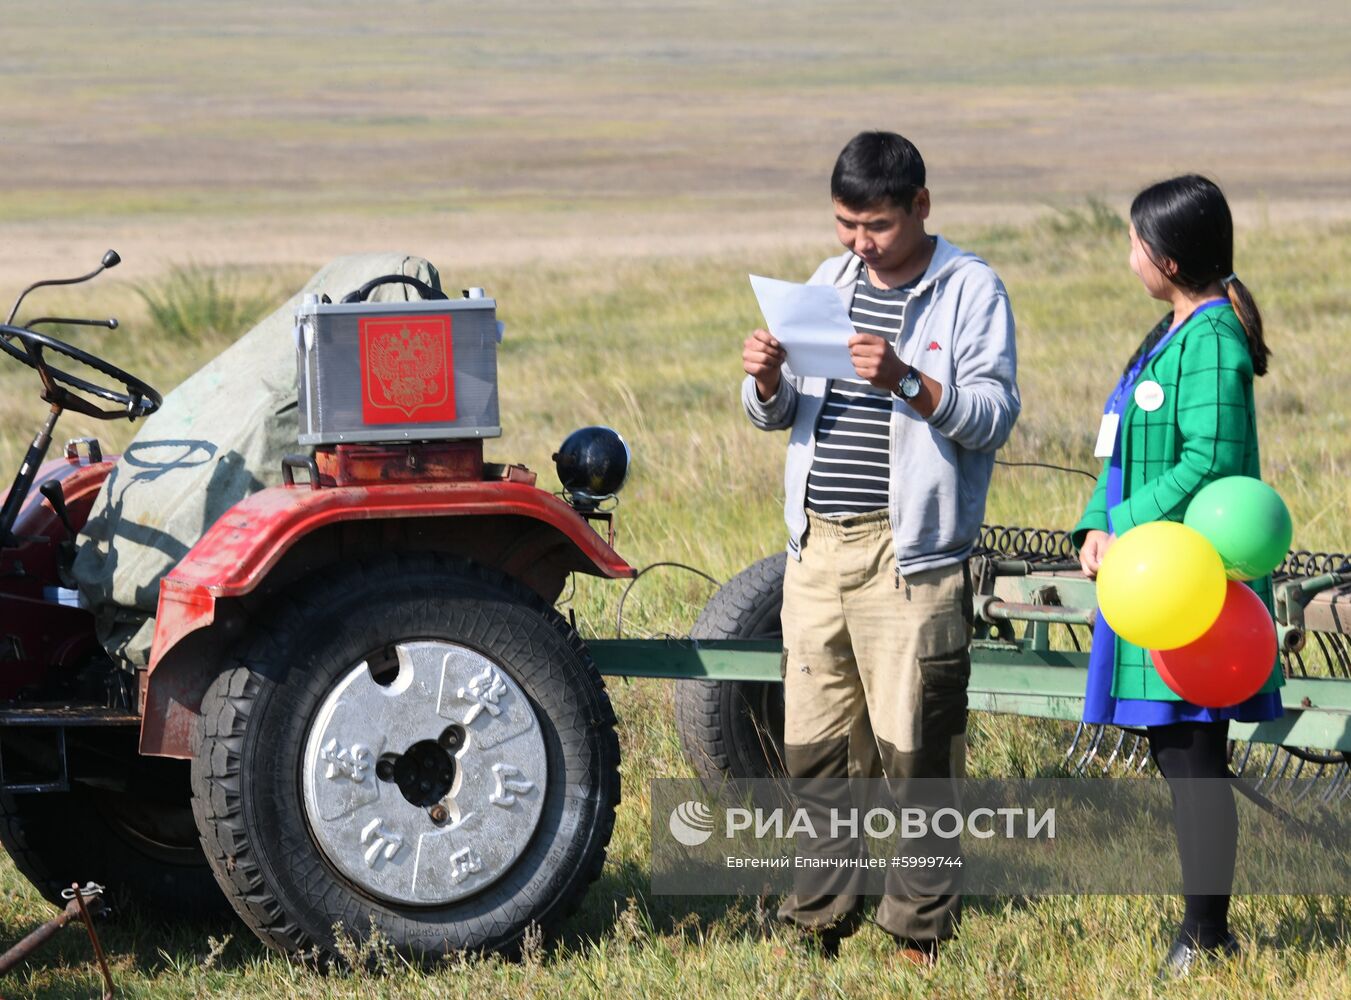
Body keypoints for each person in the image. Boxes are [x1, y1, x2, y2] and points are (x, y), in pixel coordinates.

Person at [741, 131, 1020, 964]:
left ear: (920, 207)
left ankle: (917, 932)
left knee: (915, 752)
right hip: (814, 551)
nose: (858, 242)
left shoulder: (968, 290)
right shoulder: (828, 282)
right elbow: (781, 414)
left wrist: (904, 379)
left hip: (909, 559)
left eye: (877, 226)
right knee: (816, 750)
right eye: (844, 224)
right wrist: (764, 381)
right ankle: (818, 918)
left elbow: (992, 416)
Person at [1071, 174, 1283, 980]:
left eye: (1133, 242)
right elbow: (1118, 447)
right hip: (1150, 574)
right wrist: (1094, 522)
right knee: (1176, 754)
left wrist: (1123, 524)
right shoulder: (1168, 333)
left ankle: (1206, 935)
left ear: (1164, 257)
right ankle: (1203, 929)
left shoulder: (1213, 340)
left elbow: (1209, 463)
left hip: (1191, 589)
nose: (1127, 255)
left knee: (1193, 758)